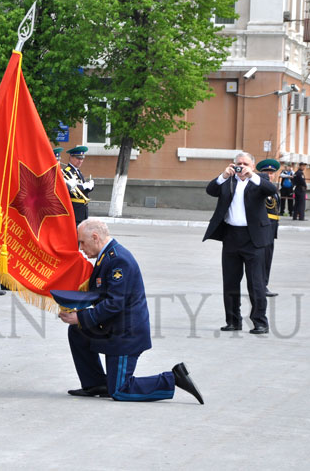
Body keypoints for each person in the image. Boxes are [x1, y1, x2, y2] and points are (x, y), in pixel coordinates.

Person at [56, 219, 203, 404]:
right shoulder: (106, 257)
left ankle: (173, 378)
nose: (81, 248)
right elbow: (100, 294)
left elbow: (114, 303)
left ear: (95, 237)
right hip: (112, 328)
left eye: (82, 242)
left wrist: (81, 316)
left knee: (120, 390)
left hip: (126, 335)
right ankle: (96, 384)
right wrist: (73, 306)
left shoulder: (118, 260)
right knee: (78, 331)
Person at [203, 152, 276, 334]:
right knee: (230, 282)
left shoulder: (259, 180)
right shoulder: (228, 180)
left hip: (254, 238)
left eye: (245, 164)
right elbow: (210, 190)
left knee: (256, 283)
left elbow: (271, 190)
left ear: (252, 166)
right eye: (239, 163)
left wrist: (252, 176)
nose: (241, 167)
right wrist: (223, 175)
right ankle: (233, 321)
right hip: (231, 236)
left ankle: (260, 322)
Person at [256, 159, 280, 298]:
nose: (269, 175)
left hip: (271, 230)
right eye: (266, 173)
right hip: (261, 229)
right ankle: (260, 287)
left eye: (271, 173)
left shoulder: (274, 191)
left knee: (267, 258)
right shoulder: (258, 189)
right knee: (260, 259)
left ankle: (264, 285)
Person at [63, 146, 94, 226]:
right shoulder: (67, 172)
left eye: (82, 159)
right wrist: (84, 186)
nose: (80, 161)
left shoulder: (78, 172)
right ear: (71, 157)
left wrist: (90, 187)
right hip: (75, 209)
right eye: (78, 158)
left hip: (81, 210)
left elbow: (83, 190)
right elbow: (71, 189)